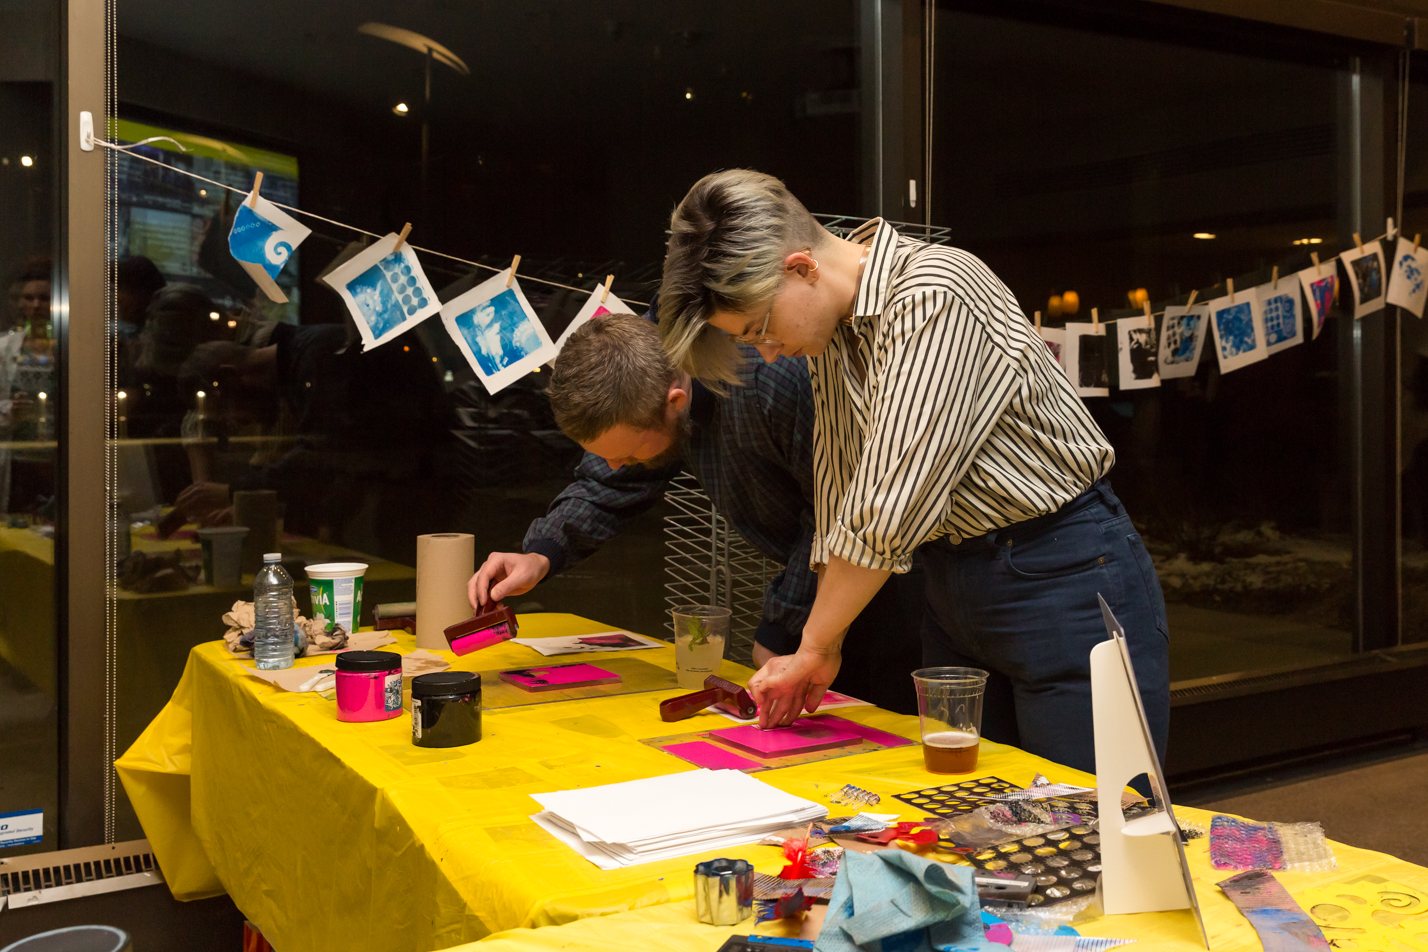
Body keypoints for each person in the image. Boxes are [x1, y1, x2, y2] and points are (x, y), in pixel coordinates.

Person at [657, 169, 1169, 774]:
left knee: (1095, 824)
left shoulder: (935, 295)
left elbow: (886, 509)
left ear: (800, 268)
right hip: (954, 582)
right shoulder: (838, 333)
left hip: (1064, 575)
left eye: (761, 329)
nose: (767, 352)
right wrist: (824, 645)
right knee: (974, 820)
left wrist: (815, 645)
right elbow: (841, 489)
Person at [468, 310, 924, 713]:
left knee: (884, 729)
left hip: (895, 571)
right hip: (818, 577)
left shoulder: (772, 377)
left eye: (626, 453)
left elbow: (834, 510)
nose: (614, 466)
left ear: (675, 403)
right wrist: (542, 553)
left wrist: (785, 628)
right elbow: (606, 481)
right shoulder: (643, 359)